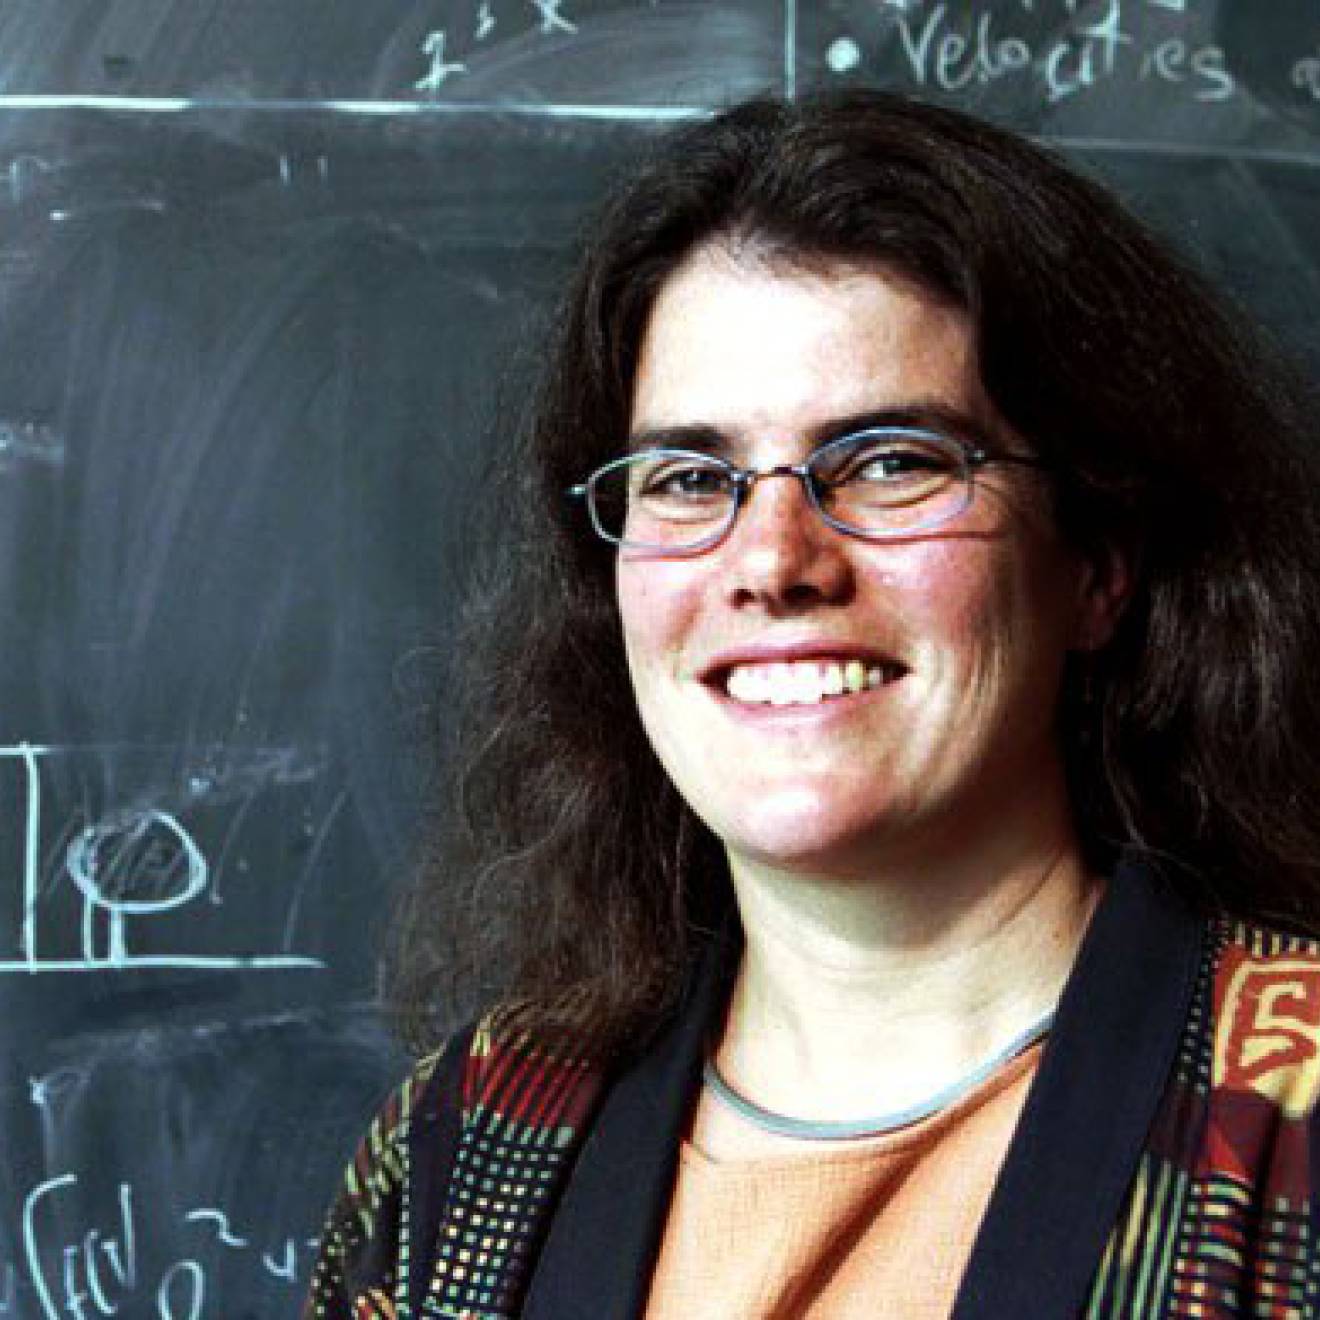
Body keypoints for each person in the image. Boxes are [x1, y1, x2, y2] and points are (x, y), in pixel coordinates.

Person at [304, 90, 1320, 1319]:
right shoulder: (463, 1150)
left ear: (1095, 565)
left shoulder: (1292, 1115)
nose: (773, 561)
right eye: (689, 477)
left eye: (890, 460)